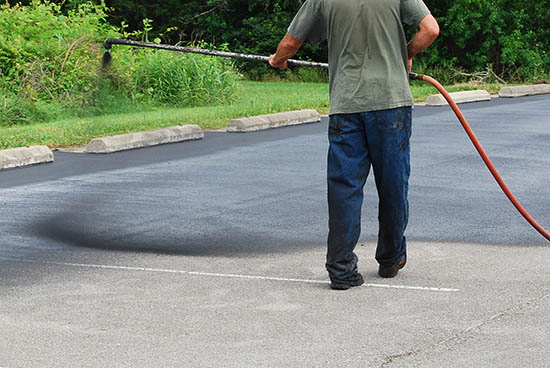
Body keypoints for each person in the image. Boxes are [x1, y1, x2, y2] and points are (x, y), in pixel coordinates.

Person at [269, 0, 439, 290]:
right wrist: (405, 54)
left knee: (344, 187)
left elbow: (290, 42)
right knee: (393, 184)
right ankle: (390, 258)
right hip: (391, 104)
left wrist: (277, 60)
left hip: (346, 105)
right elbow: (430, 30)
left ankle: (341, 268)